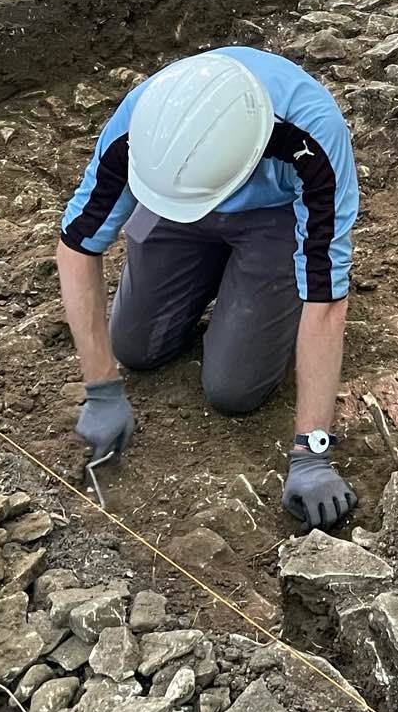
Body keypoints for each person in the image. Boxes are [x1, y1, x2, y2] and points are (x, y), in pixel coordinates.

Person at [57, 48, 360, 529]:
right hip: (177, 198)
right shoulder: (145, 122)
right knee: (133, 347)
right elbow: (76, 245)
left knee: (232, 389)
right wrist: (100, 385)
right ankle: (211, 267)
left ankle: (254, 281)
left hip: (273, 217)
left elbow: (326, 301)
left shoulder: (311, 135)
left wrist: (312, 451)